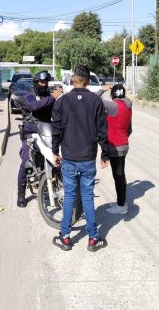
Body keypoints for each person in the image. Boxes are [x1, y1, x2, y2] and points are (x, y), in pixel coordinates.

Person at [51, 64, 109, 252]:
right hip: (88, 158)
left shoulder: (62, 101)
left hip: (68, 157)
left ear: (73, 79)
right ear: (89, 81)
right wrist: (105, 154)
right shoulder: (95, 101)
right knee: (87, 198)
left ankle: (65, 237)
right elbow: (102, 131)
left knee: (69, 197)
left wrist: (55, 151)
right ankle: (93, 239)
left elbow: (56, 129)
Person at [16, 71, 62, 208]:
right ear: (36, 82)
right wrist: (52, 98)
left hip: (47, 133)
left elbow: (58, 112)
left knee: (56, 157)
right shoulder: (29, 95)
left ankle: (52, 185)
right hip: (31, 134)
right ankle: (21, 194)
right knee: (26, 161)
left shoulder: (49, 96)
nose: (44, 84)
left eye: (46, 82)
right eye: (41, 82)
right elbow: (33, 106)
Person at [98, 83, 133, 214]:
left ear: (113, 95)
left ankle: (121, 205)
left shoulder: (113, 106)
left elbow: (93, 99)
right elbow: (129, 129)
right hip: (124, 145)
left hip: (115, 146)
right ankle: (121, 200)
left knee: (118, 175)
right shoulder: (128, 106)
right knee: (120, 174)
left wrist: (102, 89)